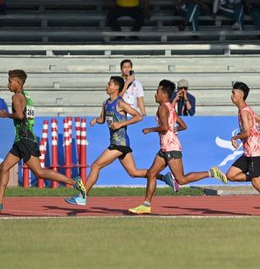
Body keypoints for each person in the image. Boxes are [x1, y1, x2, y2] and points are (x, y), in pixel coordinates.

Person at [0, 70, 87, 213]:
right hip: (22, 139)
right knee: (3, 168)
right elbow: (27, 116)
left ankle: (75, 182)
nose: (8, 84)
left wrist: (5, 114)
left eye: (10, 81)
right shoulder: (27, 97)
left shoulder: (16, 97)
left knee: (40, 173)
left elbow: (20, 116)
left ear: (18, 83)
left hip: (25, 140)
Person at [65, 76, 178, 206]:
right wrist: (97, 120)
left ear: (116, 88)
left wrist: (120, 124)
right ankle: (165, 178)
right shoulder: (106, 103)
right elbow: (103, 119)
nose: (107, 86)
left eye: (109, 84)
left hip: (120, 144)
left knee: (96, 165)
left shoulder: (120, 103)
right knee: (134, 173)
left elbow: (138, 116)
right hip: (118, 144)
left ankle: (82, 196)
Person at [128, 79, 228, 215]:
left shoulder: (163, 108)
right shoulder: (170, 107)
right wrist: (172, 130)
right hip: (165, 148)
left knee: (181, 179)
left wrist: (150, 130)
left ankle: (211, 172)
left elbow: (164, 127)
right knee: (151, 173)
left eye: (157, 91)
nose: (155, 94)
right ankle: (146, 205)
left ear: (164, 94)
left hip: (171, 148)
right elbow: (183, 126)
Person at [225, 82, 260, 216]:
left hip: (254, 153)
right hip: (248, 153)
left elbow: (246, 133)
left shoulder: (244, 112)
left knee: (256, 184)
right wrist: (256, 130)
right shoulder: (244, 109)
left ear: (241, 95)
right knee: (230, 175)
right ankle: (259, 178)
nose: (231, 96)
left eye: (233, 93)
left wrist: (234, 138)